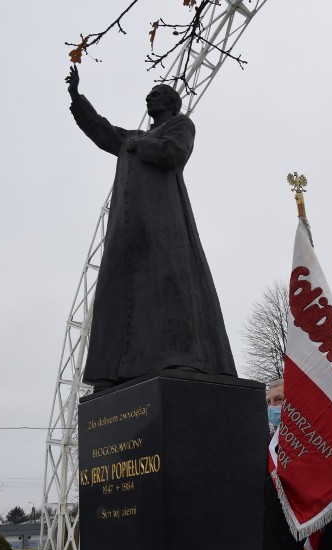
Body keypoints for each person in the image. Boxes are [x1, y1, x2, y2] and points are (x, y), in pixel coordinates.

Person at [64, 66, 237, 390]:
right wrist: (76, 98)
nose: (149, 97)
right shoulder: (131, 137)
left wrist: (138, 146)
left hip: (163, 222)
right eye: (148, 94)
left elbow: (173, 153)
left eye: (156, 94)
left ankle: (177, 356)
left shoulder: (180, 126)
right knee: (121, 294)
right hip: (128, 232)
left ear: (171, 103)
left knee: (168, 286)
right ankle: (119, 371)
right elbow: (100, 129)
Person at [264, 380, 332, 550]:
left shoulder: (321, 444)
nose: (272, 407)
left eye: (279, 400)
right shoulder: (269, 447)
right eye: (269, 402)